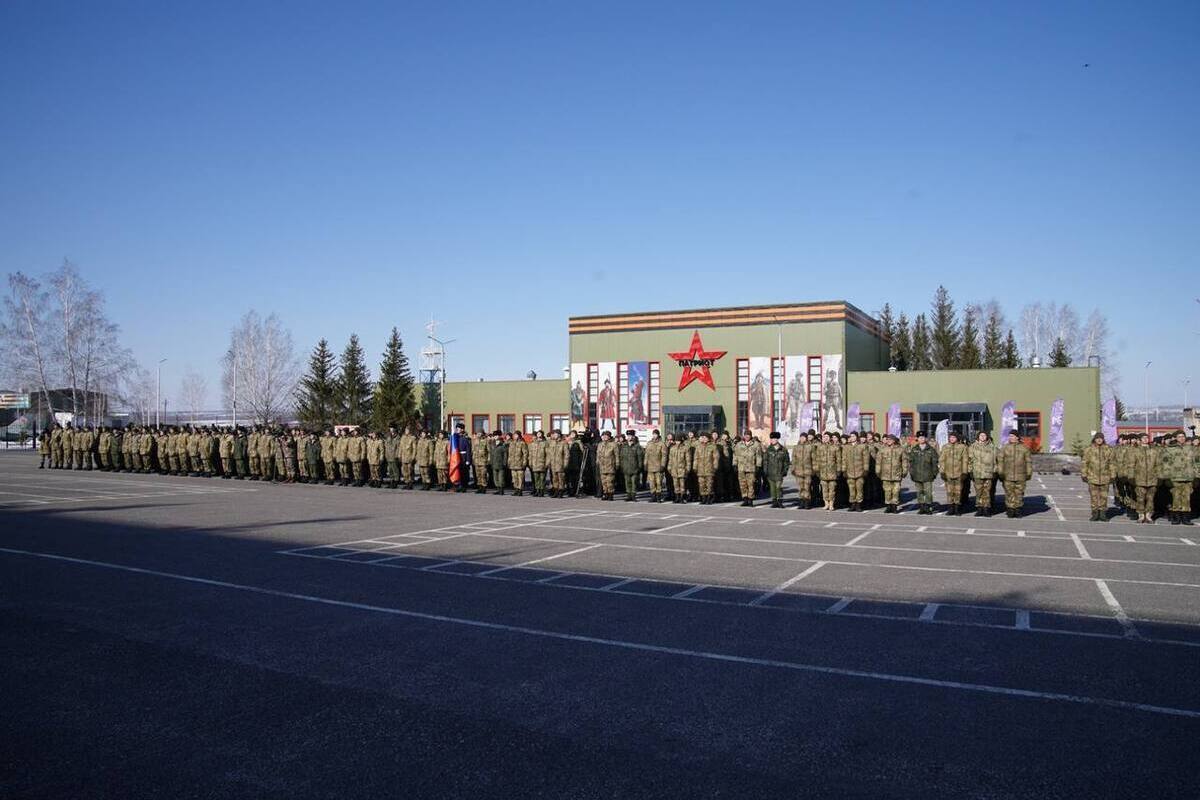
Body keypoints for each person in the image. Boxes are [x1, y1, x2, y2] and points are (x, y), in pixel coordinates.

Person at [1160, 430, 1195, 526]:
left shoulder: (1190, 449)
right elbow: (1166, 463)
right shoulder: (1170, 449)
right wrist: (1167, 477)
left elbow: (1195, 462)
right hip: (1175, 477)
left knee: (1187, 498)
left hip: (1188, 477)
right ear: (1176, 438)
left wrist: (1195, 474)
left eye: (1183, 436)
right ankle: (1176, 517)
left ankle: (1186, 517)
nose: (1182, 438)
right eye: (1179, 437)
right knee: (1176, 498)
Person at [997, 431, 1032, 518]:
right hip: (1008, 475)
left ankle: (1018, 510)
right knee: (1009, 493)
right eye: (1010, 436)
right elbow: (1000, 461)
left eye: (1013, 436)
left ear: (1017, 437)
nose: (1011, 438)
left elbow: (1028, 462)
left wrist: (1029, 473)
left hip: (1021, 475)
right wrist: (1000, 472)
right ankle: (1010, 509)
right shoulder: (1004, 448)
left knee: (1019, 493)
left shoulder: (1024, 448)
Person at [1081, 433, 1114, 522]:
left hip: (1105, 477)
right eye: (1097, 438)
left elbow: (1112, 463)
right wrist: (1084, 474)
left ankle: (1103, 514)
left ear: (1103, 439)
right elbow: (1085, 462)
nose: (1099, 440)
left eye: (1101, 438)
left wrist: (1113, 475)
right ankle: (1095, 513)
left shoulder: (1108, 449)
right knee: (1094, 496)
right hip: (1092, 476)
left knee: (1104, 496)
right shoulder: (1089, 449)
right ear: (1094, 439)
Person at [938, 431, 970, 515]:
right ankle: (950, 508)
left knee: (958, 492)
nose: (952, 439)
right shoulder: (945, 447)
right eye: (951, 437)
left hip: (959, 473)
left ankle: (957, 509)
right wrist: (942, 472)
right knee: (949, 492)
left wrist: (964, 472)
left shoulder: (962, 447)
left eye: (954, 437)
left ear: (957, 438)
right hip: (948, 473)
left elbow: (965, 460)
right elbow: (942, 460)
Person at [876, 434, 909, 514]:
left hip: (896, 473)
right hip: (886, 473)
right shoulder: (882, 449)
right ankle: (888, 505)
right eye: (887, 439)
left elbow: (904, 461)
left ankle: (894, 506)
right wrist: (878, 471)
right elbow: (878, 461)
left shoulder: (900, 449)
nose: (888, 441)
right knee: (887, 491)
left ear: (894, 441)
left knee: (896, 491)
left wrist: (905, 471)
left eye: (890, 440)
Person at [908, 431, 939, 515]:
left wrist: (934, 473)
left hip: (928, 475)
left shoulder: (931, 450)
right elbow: (911, 462)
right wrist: (912, 473)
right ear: (917, 439)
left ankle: (928, 507)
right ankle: (921, 507)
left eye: (923, 437)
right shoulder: (914, 449)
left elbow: (935, 463)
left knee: (928, 492)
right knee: (919, 492)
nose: (921, 439)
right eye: (920, 437)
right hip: (917, 475)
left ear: (926, 438)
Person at [969, 432, 998, 516]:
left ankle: (986, 509)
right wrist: (970, 471)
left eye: (984, 435)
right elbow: (969, 460)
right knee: (979, 492)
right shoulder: (973, 447)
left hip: (988, 473)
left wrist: (995, 471)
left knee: (987, 492)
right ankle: (979, 509)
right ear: (978, 437)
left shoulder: (992, 447)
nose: (982, 437)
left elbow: (996, 461)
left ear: (987, 437)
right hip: (977, 473)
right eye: (981, 435)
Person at [841, 432, 869, 512]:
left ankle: (859, 504)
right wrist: (844, 470)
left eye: (853, 436)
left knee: (859, 489)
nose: (852, 437)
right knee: (851, 489)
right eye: (851, 436)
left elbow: (866, 459)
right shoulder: (846, 447)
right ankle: (852, 504)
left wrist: (865, 470)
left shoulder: (862, 446)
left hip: (860, 471)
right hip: (849, 472)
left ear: (857, 437)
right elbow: (844, 459)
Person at [733, 430, 761, 507]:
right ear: (743, 436)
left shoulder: (756, 444)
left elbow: (759, 456)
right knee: (742, 484)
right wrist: (734, 464)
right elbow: (735, 455)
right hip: (741, 467)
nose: (747, 436)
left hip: (751, 468)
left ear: (751, 436)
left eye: (748, 435)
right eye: (745, 435)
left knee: (751, 484)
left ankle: (750, 500)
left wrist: (758, 465)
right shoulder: (739, 444)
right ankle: (745, 499)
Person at [815, 432, 841, 511]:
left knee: (832, 490)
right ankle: (826, 504)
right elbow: (817, 460)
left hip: (832, 472)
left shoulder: (835, 447)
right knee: (824, 489)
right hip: (823, 472)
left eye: (827, 437)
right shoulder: (820, 448)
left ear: (830, 438)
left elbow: (839, 460)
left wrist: (838, 471)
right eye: (824, 437)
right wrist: (817, 470)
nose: (825, 438)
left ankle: (831, 504)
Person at [763, 432, 790, 508]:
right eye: (771, 439)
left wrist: (785, 470)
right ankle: (774, 501)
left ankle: (780, 501)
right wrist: (765, 470)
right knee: (772, 488)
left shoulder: (783, 449)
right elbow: (765, 461)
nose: (772, 440)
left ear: (777, 439)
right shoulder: (769, 449)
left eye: (774, 439)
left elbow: (786, 461)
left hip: (779, 472)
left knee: (778, 487)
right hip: (770, 472)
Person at [693, 432, 720, 505]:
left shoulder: (712, 446)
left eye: (705, 437)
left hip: (709, 468)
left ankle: (709, 498)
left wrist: (715, 467)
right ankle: (703, 498)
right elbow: (696, 458)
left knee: (709, 484)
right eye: (703, 437)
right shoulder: (698, 447)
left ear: (708, 438)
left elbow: (716, 458)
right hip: (700, 469)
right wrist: (694, 467)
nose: (704, 439)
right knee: (701, 484)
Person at [618, 430, 644, 502]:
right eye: (628, 436)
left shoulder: (637, 446)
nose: (630, 437)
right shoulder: (624, 446)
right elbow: (621, 457)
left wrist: (639, 467)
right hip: (626, 467)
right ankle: (628, 495)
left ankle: (633, 496)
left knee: (634, 483)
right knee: (627, 483)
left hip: (634, 468)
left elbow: (640, 458)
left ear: (634, 437)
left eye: (631, 436)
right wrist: (621, 466)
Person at [643, 429, 666, 503]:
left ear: (658, 435)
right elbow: (646, 455)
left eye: (656, 434)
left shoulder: (662, 444)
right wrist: (645, 464)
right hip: (650, 466)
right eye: (653, 434)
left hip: (658, 466)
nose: (654, 435)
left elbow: (664, 455)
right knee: (651, 483)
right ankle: (653, 496)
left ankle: (659, 497)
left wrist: (663, 465)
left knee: (658, 483)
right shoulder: (649, 443)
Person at [596, 431, 618, 501]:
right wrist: (597, 462)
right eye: (604, 435)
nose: (605, 437)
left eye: (606, 436)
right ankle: (605, 493)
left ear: (609, 436)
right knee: (604, 481)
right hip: (602, 465)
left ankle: (610, 494)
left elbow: (616, 455)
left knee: (610, 481)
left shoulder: (613, 444)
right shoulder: (600, 444)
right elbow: (598, 454)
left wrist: (617, 464)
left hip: (610, 465)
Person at [548, 430, 568, 498]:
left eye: (556, 434)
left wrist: (565, 463)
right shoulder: (552, 443)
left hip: (560, 463)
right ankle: (556, 491)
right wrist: (549, 462)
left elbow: (566, 454)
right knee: (554, 478)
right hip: (553, 463)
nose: (554, 435)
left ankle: (561, 491)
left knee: (561, 478)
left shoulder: (564, 443)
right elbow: (549, 454)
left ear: (559, 435)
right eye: (554, 434)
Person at [507, 431, 529, 496]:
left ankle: (520, 490)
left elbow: (525, 454)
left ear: (519, 436)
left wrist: (524, 462)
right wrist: (509, 462)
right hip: (513, 464)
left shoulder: (522, 443)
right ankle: (516, 489)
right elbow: (510, 454)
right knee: (514, 478)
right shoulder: (511, 443)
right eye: (514, 435)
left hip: (520, 463)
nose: (515, 436)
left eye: (516, 435)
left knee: (520, 478)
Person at [528, 430, 549, 497]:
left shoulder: (545, 443)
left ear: (542, 434)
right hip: (535, 463)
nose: (538, 434)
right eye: (538, 433)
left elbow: (548, 454)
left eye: (540, 433)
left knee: (542, 478)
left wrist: (547, 463)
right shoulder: (533, 443)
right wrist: (530, 462)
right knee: (536, 478)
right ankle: (537, 490)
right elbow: (530, 454)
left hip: (542, 463)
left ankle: (541, 491)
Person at [473, 428, 492, 494]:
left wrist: (489, 459)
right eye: (477, 433)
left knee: (483, 475)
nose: (478, 434)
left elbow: (489, 451)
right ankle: (479, 487)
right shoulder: (475, 440)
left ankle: (484, 488)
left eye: (480, 433)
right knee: (478, 475)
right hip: (476, 461)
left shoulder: (486, 440)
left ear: (482, 433)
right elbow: (473, 450)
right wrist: (473, 459)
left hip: (483, 461)